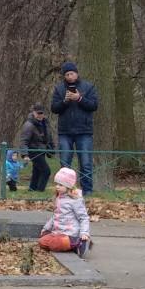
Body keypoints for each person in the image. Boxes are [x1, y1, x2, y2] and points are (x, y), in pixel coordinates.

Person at [52, 61, 98, 195]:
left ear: (76, 73)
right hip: (65, 131)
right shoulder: (59, 89)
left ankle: (87, 191)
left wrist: (79, 98)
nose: (70, 76)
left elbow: (94, 105)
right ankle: (65, 191)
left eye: (72, 73)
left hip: (84, 130)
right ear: (64, 76)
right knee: (65, 163)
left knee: (85, 162)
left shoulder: (88, 87)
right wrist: (65, 101)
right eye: (67, 74)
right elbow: (54, 108)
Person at [39, 167, 91, 258]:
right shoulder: (59, 198)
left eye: (60, 185)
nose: (57, 186)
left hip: (71, 234)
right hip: (58, 232)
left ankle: (79, 243)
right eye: (56, 184)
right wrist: (46, 228)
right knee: (42, 242)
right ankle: (69, 246)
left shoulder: (75, 200)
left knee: (57, 243)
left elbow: (83, 218)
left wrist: (84, 233)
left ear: (68, 186)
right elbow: (55, 216)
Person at [17, 103, 55, 193]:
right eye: (38, 113)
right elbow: (24, 141)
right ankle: (40, 190)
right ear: (33, 112)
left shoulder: (46, 123)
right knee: (46, 171)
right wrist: (25, 154)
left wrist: (52, 149)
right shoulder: (28, 125)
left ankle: (32, 189)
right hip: (34, 151)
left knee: (37, 171)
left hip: (42, 151)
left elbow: (49, 136)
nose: (40, 115)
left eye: (42, 113)